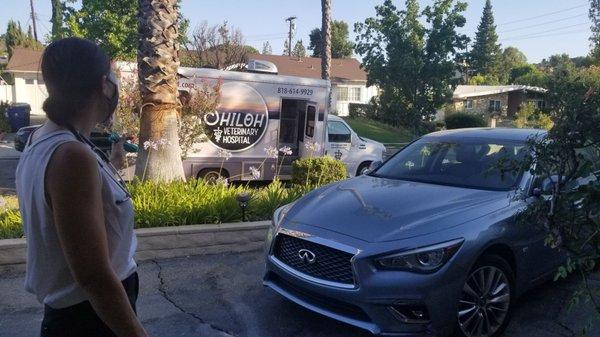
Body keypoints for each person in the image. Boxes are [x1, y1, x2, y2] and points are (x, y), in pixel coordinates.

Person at [15, 37, 147, 337]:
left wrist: (112, 167)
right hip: (90, 320)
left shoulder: (47, 139)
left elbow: (76, 207)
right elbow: (93, 276)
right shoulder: (72, 155)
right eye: (114, 78)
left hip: (84, 315)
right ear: (103, 85)